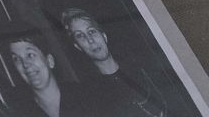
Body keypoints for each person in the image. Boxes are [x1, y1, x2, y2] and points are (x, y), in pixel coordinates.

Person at [61, 7, 189, 117]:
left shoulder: (143, 66)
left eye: (91, 31)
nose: (90, 40)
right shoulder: (93, 96)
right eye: (80, 36)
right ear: (78, 46)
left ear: (104, 36)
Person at [2, 25, 91, 117]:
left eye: (30, 55)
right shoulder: (21, 113)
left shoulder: (86, 96)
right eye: (16, 59)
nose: (25, 64)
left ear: (50, 61)